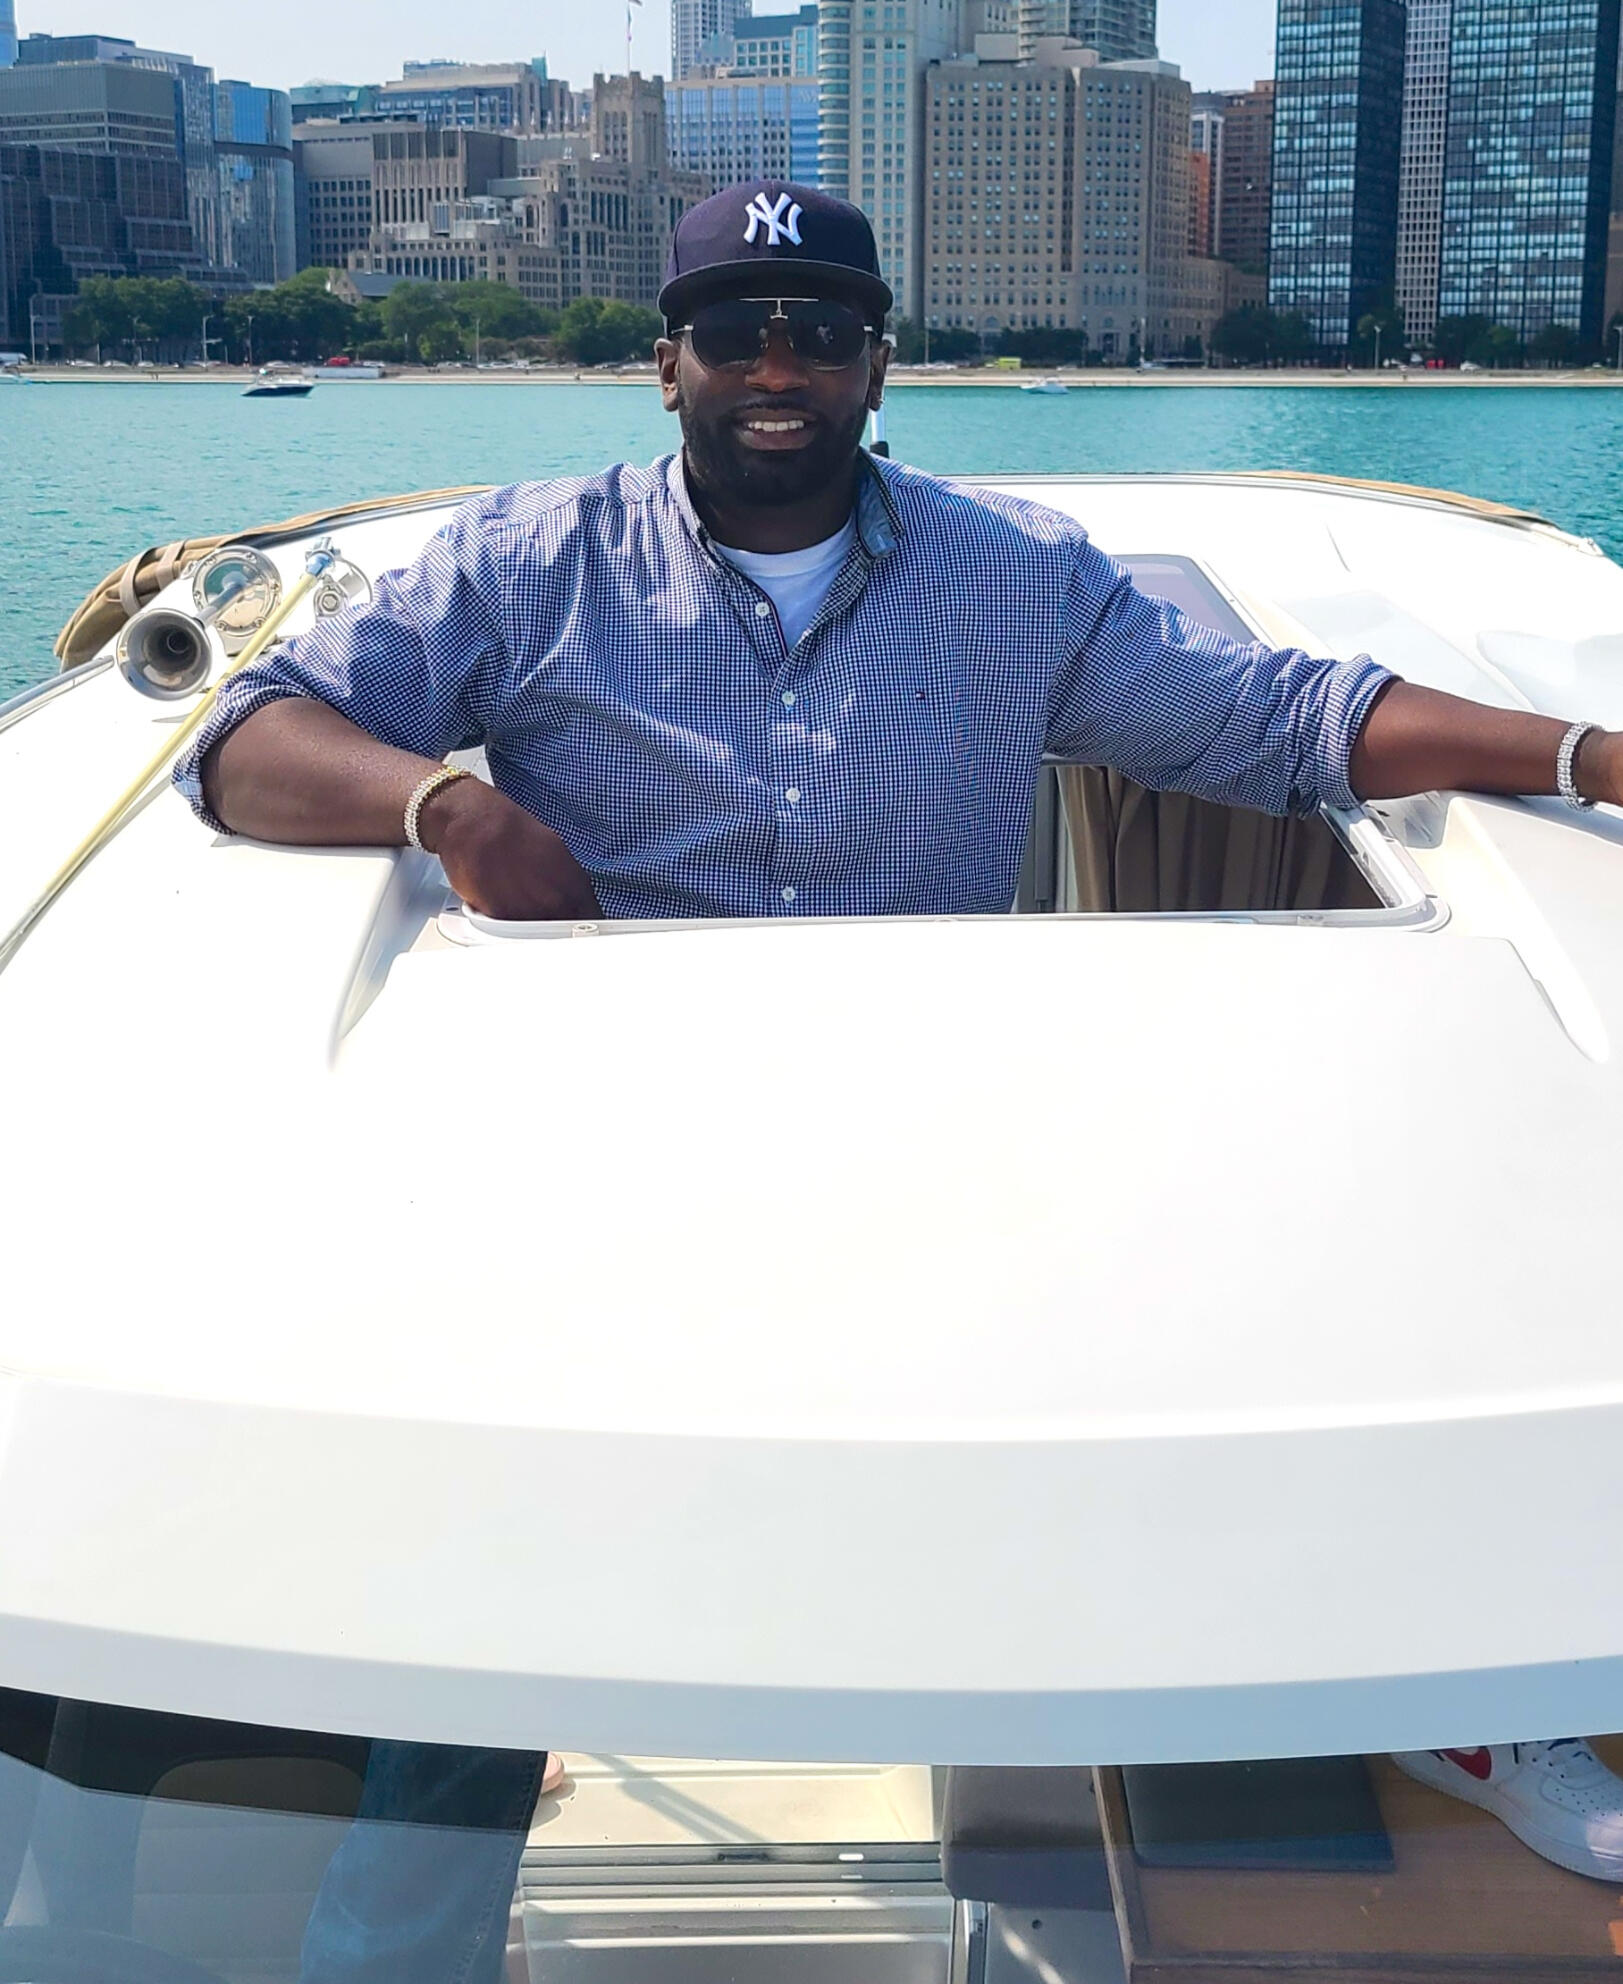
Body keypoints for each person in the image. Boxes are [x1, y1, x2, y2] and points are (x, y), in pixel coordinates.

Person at [175, 181, 1623, 1963]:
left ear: (878, 367)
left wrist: (1588, 752)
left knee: (1279, 1299)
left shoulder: (1008, 577)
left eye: (825, 330)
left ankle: (1398, 1694)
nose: (778, 364)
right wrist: (447, 801)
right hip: (603, 1171)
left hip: (926, 1151)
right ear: (667, 363)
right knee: (481, 1570)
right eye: (737, 328)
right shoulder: (524, 560)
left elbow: (1279, 722)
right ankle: (409, 1898)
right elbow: (248, 738)